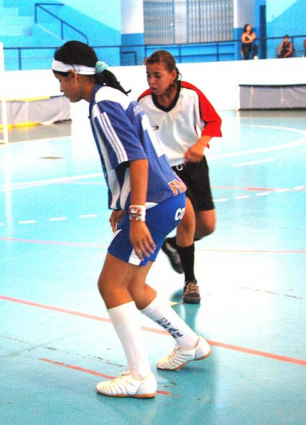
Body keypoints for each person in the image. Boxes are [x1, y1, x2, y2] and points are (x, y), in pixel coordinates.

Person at [52, 41, 210, 399]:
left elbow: (138, 161)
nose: (60, 87)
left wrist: (136, 215)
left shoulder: (103, 105)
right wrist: (122, 205)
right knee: (135, 287)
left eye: (60, 79)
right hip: (169, 198)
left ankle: (139, 375)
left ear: (75, 74)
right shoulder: (113, 96)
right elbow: (132, 159)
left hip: (152, 205)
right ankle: (190, 342)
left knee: (111, 286)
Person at [138, 50, 222, 305]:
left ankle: (173, 245)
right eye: (148, 75)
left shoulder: (192, 95)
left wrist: (201, 144)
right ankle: (190, 282)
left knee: (206, 226)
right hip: (167, 171)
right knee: (187, 218)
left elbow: (214, 122)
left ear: (173, 75)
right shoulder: (143, 104)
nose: (152, 81)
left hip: (195, 166)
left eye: (157, 75)